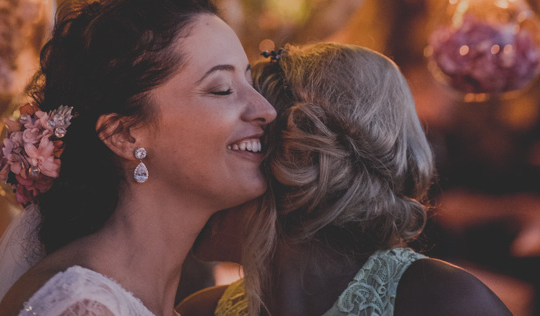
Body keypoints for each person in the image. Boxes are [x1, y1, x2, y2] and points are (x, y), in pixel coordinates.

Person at [0, 0, 276, 316]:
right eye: (221, 89)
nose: (266, 110)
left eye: (250, 82)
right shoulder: (80, 307)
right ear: (124, 135)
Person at [179, 43, 513, 316]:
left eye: (236, 148)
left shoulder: (442, 302)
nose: (192, 174)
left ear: (293, 167)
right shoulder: (199, 311)